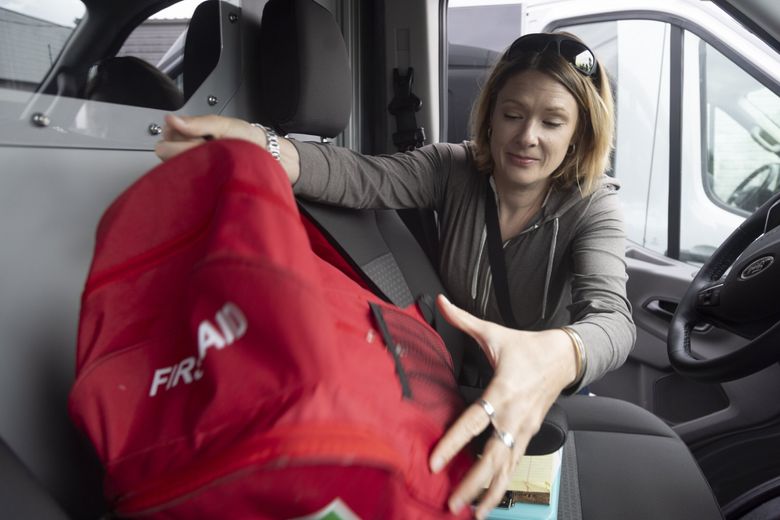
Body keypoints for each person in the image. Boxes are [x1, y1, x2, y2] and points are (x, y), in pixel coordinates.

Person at [156, 32, 636, 519]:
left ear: (579, 132)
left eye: (552, 122)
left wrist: (557, 354)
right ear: (490, 115)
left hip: (533, 402)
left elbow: (613, 319)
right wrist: (265, 145)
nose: (527, 136)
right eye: (512, 114)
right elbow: (361, 176)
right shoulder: (453, 169)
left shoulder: (594, 207)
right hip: (451, 387)